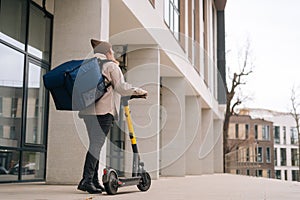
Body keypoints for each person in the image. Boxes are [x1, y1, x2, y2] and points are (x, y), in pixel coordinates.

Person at [77, 39, 147, 194]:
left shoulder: (91, 66)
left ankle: (93, 181)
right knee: (96, 145)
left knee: (94, 145)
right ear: (108, 52)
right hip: (104, 112)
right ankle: (86, 180)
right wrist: (139, 91)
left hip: (88, 112)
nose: (113, 53)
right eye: (112, 51)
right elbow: (121, 87)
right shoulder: (111, 66)